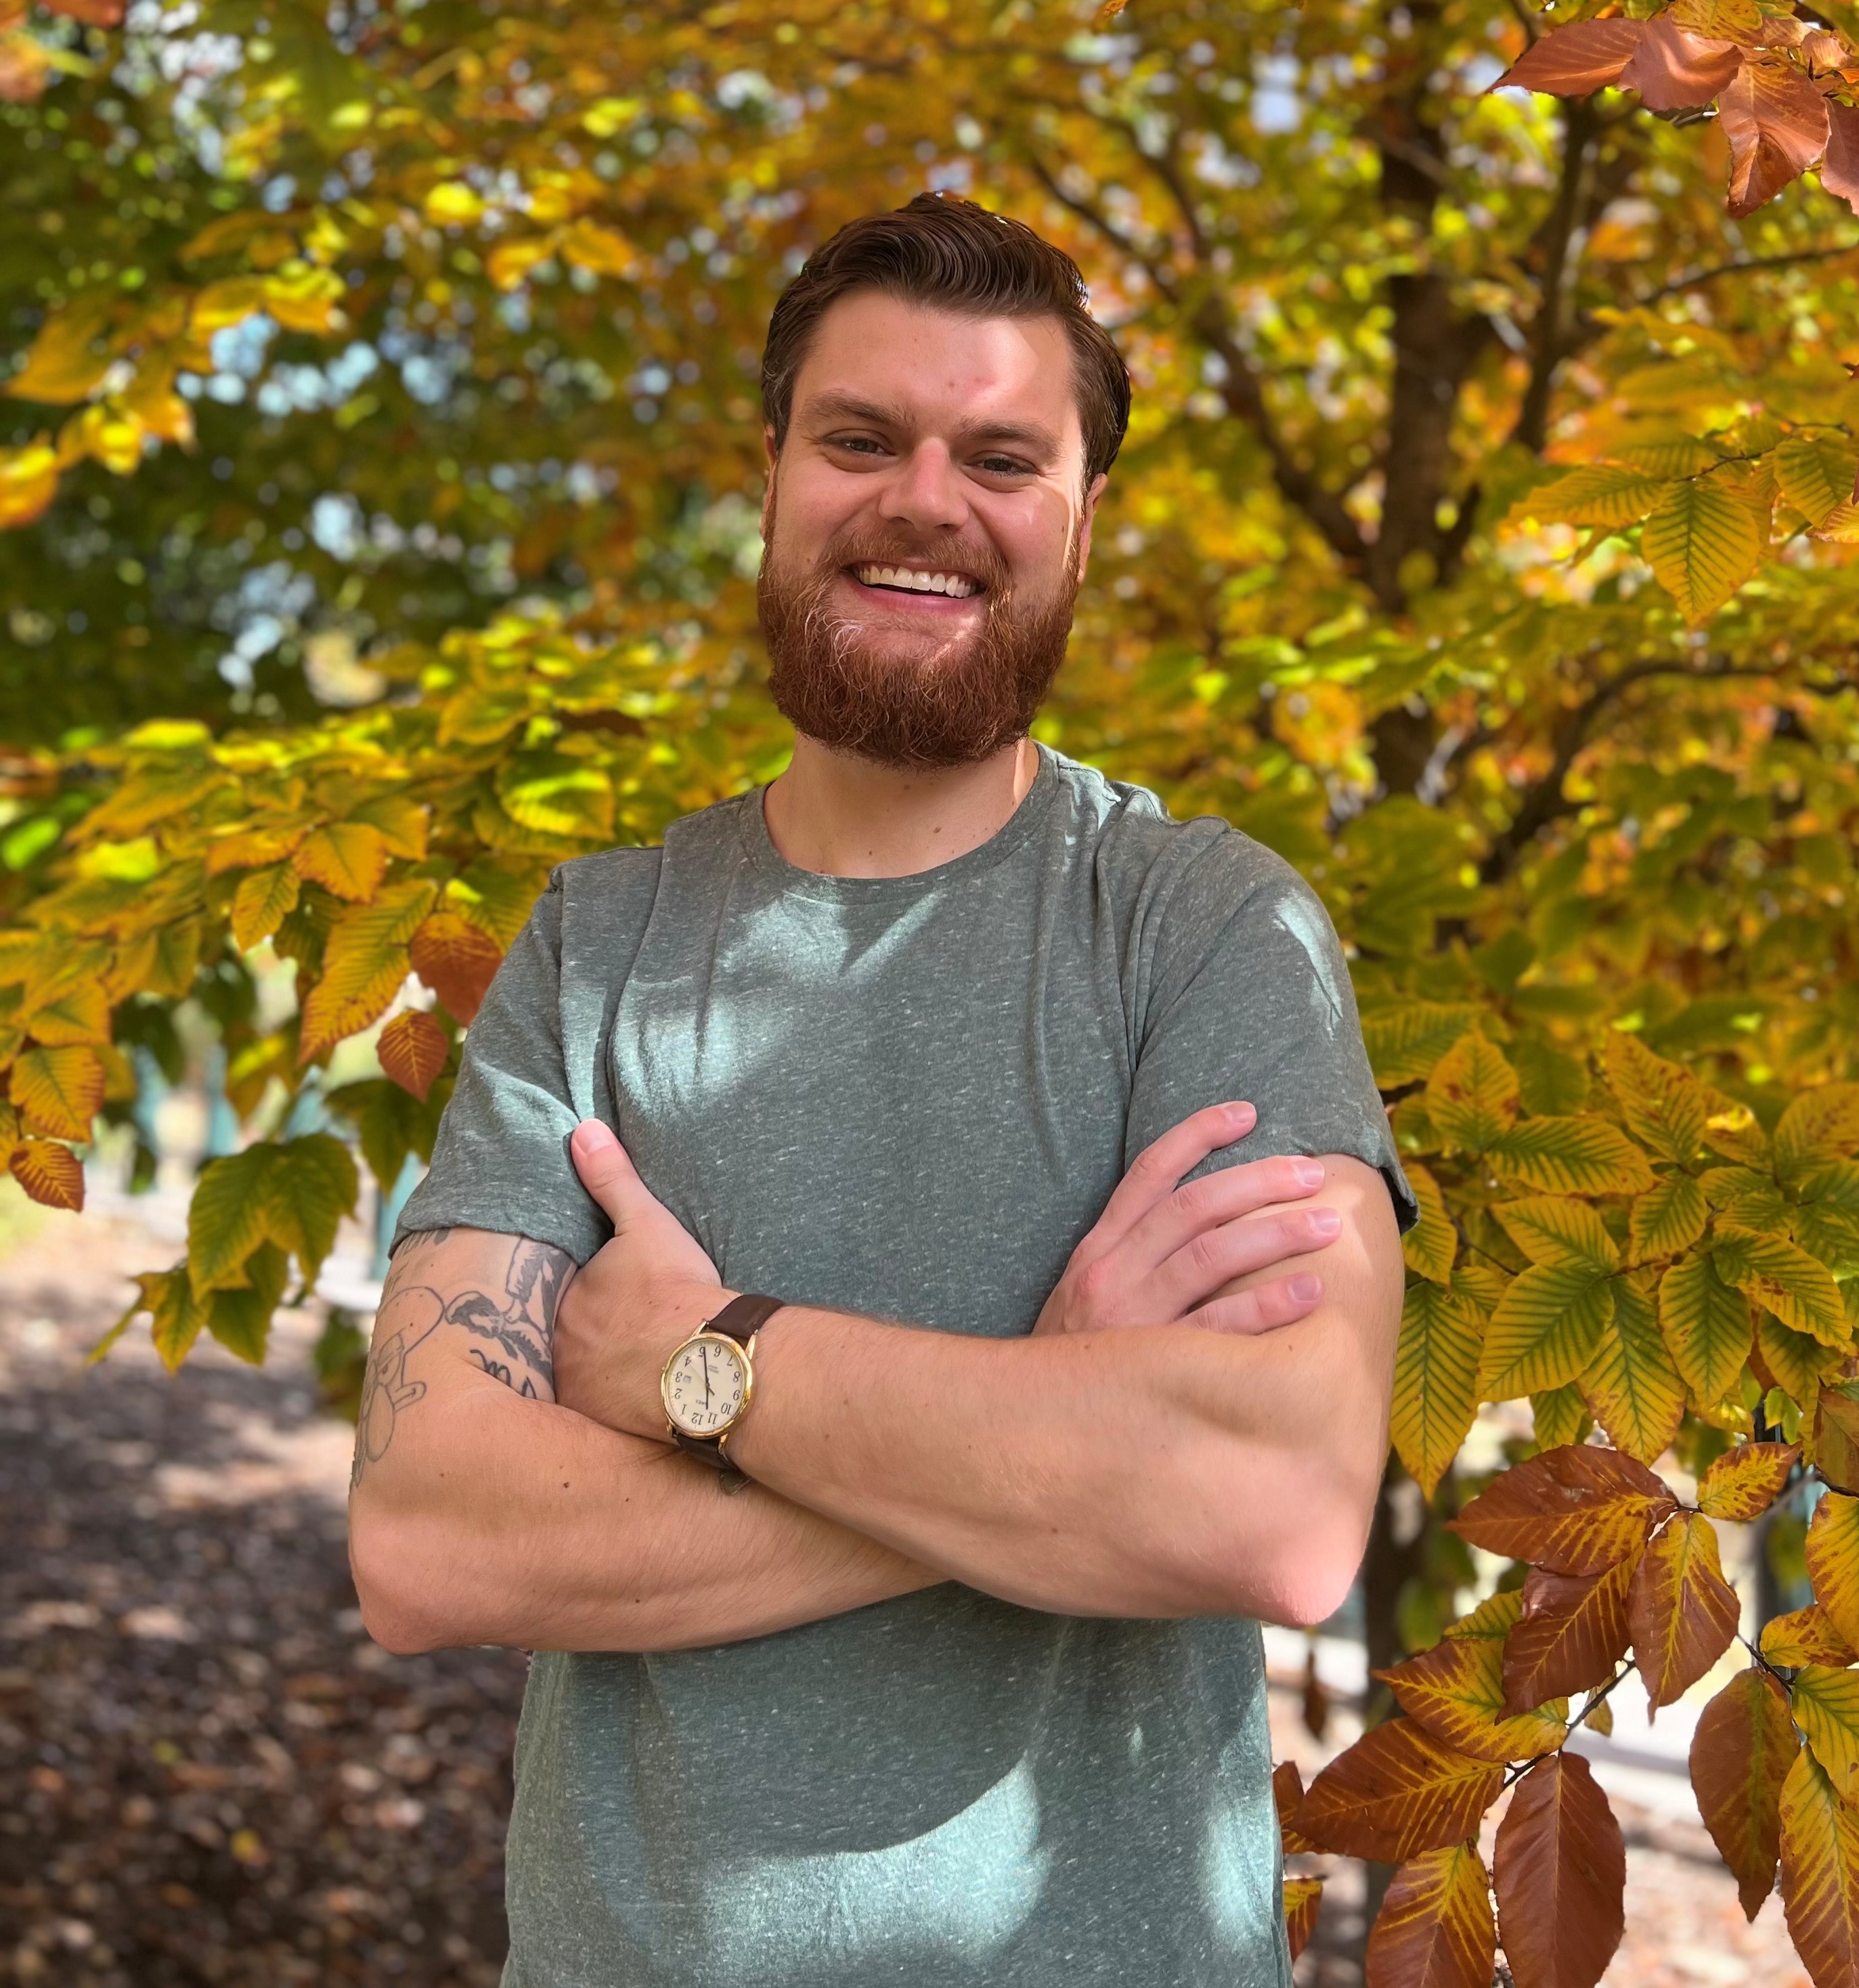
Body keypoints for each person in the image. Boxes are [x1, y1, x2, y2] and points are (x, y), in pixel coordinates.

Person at [347, 192, 1414, 1988]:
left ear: (1086, 516)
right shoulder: (594, 942)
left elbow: (1271, 1507)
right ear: (772, 470)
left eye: (1001, 454)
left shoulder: (1206, 930)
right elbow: (429, 1532)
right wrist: (1059, 1431)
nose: (925, 499)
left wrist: (717, 1367)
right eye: (859, 439)